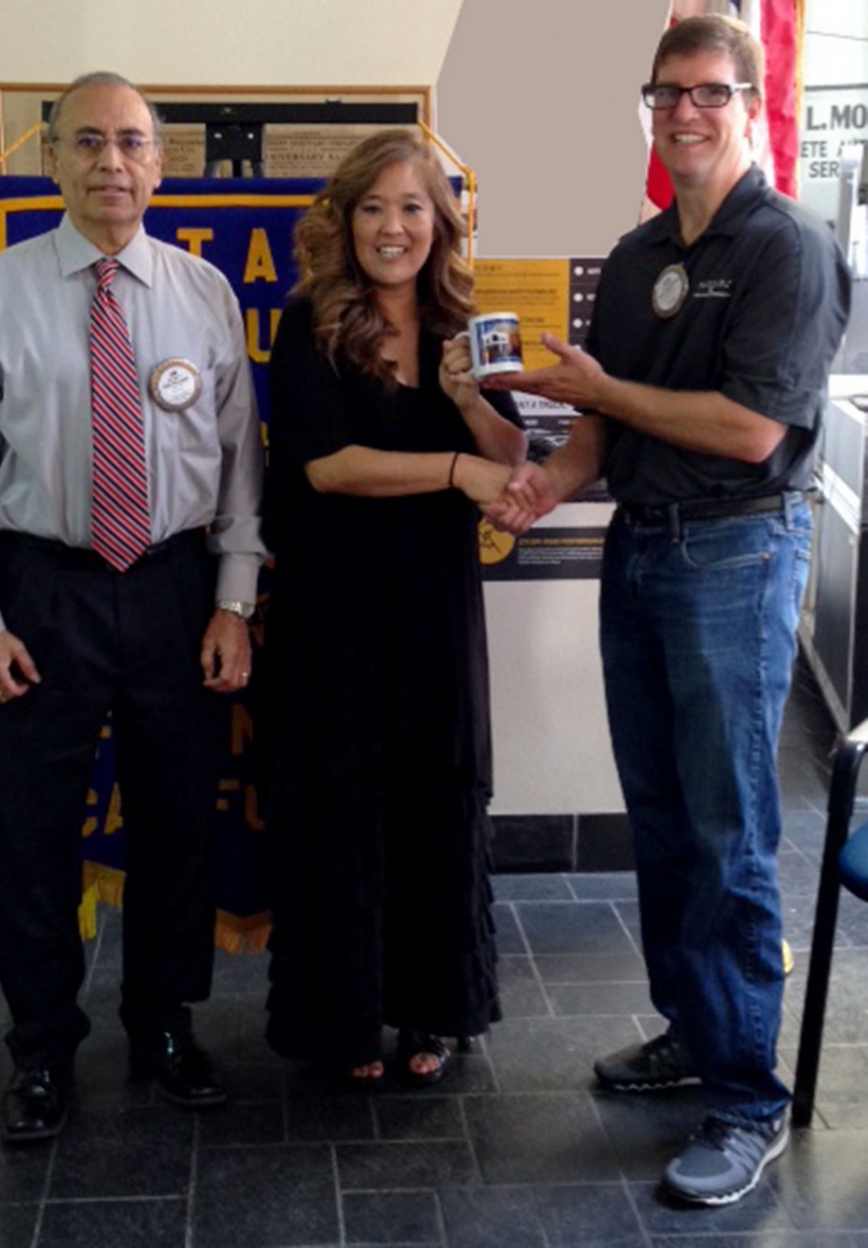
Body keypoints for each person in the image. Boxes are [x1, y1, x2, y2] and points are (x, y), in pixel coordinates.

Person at [483, 15, 850, 1206]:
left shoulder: (788, 245)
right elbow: (606, 424)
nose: (682, 113)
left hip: (737, 556)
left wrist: (600, 393)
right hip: (641, 556)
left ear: (749, 102)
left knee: (729, 828)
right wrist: (546, 479)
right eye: (664, 95)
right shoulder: (639, 253)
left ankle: (747, 1099)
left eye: (706, 93)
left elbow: (750, 430)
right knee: (661, 812)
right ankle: (694, 1032)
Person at [0, 72, 265, 1143]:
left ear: (160, 164)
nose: (112, 162)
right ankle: (43, 1052)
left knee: (174, 829)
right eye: (89, 143)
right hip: (41, 590)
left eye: (133, 143)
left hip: (173, 589)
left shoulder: (204, 293)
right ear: (53, 160)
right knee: (33, 838)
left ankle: (162, 1024)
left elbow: (243, 464)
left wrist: (234, 601)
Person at [262, 129, 525, 1085]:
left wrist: (468, 405)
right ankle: (342, 1023)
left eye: (412, 207)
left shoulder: (465, 326)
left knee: (432, 794)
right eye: (373, 206)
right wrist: (456, 467)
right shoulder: (310, 324)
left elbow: (509, 462)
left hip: (434, 609)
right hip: (336, 609)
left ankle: (431, 1013)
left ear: (439, 224)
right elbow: (329, 467)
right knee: (344, 808)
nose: (392, 226)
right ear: (344, 220)